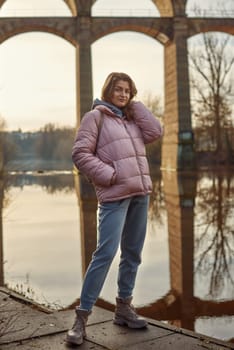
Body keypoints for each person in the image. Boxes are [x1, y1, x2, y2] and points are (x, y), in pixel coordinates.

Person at [67, 72, 163, 345]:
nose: (122, 94)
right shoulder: (94, 117)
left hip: (140, 194)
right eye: (118, 89)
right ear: (108, 90)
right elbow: (80, 154)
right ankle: (81, 319)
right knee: (105, 253)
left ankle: (124, 308)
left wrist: (137, 106)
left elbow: (155, 131)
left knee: (132, 253)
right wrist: (109, 176)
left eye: (128, 91)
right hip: (115, 196)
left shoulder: (132, 118)